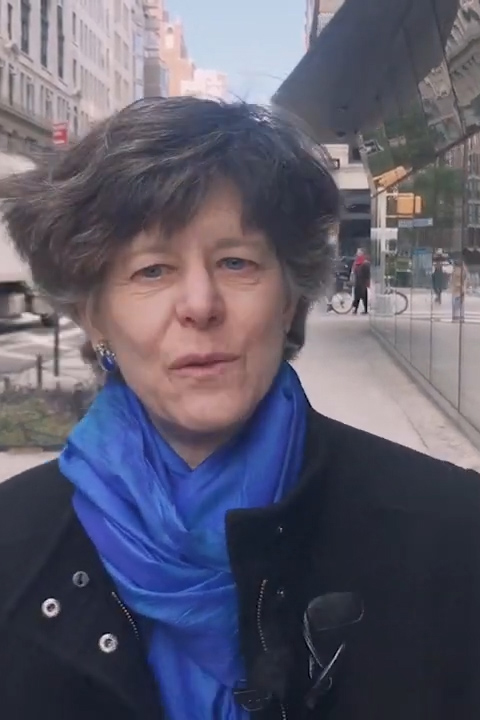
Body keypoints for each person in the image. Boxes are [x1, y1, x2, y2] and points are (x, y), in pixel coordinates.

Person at [0, 98, 480, 720]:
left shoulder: (454, 534)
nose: (200, 305)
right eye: (152, 270)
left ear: (289, 299)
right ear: (95, 317)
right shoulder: (13, 541)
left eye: (237, 262)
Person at [350, 248, 370, 314]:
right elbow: (353, 271)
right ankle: (355, 309)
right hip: (357, 281)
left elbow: (367, 273)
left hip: (363, 282)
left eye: (359, 252)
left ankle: (365, 310)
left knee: (364, 297)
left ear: (362, 253)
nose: (357, 254)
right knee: (357, 296)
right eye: (357, 252)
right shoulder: (356, 262)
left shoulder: (365, 263)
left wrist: (367, 282)